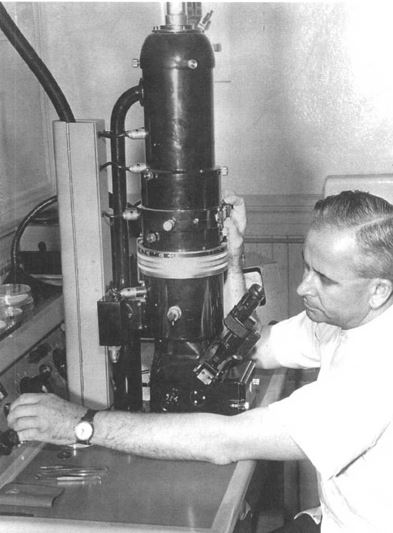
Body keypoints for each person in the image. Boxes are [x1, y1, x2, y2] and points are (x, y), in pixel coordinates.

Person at [7, 190, 393, 532]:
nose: (302, 286)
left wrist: (82, 425)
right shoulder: (344, 319)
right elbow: (251, 347)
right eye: (307, 267)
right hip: (331, 519)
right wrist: (233, 256)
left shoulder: (375, 374)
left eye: (324, 278)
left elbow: (223, 442)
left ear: (378, 291)